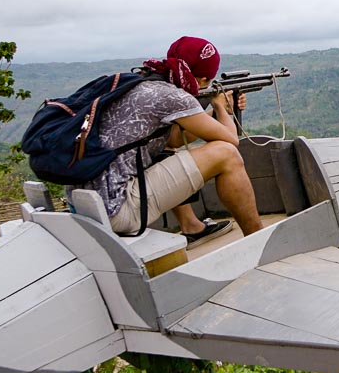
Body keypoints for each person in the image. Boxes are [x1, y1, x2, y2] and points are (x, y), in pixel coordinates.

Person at [77, 36, 263, 244]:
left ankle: (192, 225)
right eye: (208, 82)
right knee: (226, 155)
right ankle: (258, 240)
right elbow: (231, 141)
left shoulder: (142, 83)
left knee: (168, 149)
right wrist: (220, 106)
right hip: (118, 209)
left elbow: (173, 139)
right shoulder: (172, 96)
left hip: (89, 207)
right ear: (201, 80)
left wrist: (214, 112)